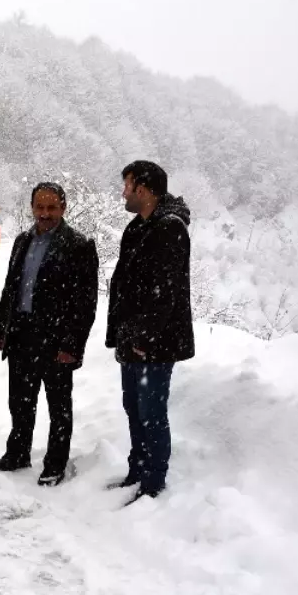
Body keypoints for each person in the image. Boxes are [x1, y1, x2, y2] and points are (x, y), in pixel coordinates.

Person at [0, 182, 99, 486]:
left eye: (52, 207)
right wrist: (2, 328)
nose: (45, 213)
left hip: (56, 341)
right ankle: (18, 453)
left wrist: (73, 344)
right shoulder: (22, 241)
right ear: (32, 207)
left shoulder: (79, 245)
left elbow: (85, 303)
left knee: (58, 407)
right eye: (40, 207)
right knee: (20, 400)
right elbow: (10, 288)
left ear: (63, 208)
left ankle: (54, 464)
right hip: (22, 334)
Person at [105, 161, 194, 503]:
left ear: (142, 189)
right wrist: (121, 334)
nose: (123, 193)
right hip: (133, 339)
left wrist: (144, 338)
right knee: (133, 406)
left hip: (156, 344)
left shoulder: (170, 228)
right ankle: (137, 471)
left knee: (152, 412)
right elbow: (125, 286)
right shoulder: (136, 228)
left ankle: (153, 483)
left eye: (126, 186)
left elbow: (165, 293)